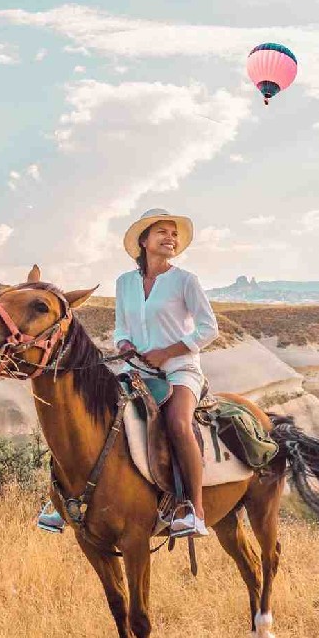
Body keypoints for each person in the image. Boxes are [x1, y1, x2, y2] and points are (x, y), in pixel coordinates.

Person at [37, 207, 219, 537]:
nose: (171, 238)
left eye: (174, 233)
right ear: (144, 240)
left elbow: (209, 329)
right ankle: (61, 501)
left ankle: (194, 510)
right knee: (85, 416)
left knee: (178, 421)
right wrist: (123, 345)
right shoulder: (125, 283)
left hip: (180, 370)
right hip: (134, 368)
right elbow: (121, 327)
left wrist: (168, 351)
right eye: (163, 232)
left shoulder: (185, 281)